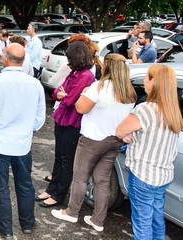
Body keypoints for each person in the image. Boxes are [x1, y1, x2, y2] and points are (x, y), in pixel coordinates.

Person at [51, 53, 136, 232]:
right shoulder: (129, 91)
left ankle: (72, 212)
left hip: (93, 138)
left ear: (107, 67)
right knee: (102, 180)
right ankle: (98, 220)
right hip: (114, 140)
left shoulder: (99, 86)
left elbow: (81, 108)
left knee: (80, 177)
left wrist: (83, 94)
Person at [0, 43, 46, 238]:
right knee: (25, 184)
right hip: (22, 143)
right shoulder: (35, 84)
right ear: (22, 61)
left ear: (5, 59)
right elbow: (39, 119)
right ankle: (27, 223)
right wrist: (27, 130)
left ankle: (5, 228)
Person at [116, 65, 183, 239]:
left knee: (142, 223)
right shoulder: (174, 111)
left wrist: (127, 137)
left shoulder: (145, 109)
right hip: (163, 175)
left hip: (143, 175)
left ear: (153, 82)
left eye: (147, 77)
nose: (145, 81)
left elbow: (120, 131)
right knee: (156, 218)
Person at [37, 42, 96, 208]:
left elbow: (70, 100)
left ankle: (59, 194)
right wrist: (62, 94)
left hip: (73, 122)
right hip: (62, 118)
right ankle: (51, 189)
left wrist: (63, 95)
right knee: (59, 156)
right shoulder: (74, 72)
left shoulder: (86, 76)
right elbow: (57, 92)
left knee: (66, 159)